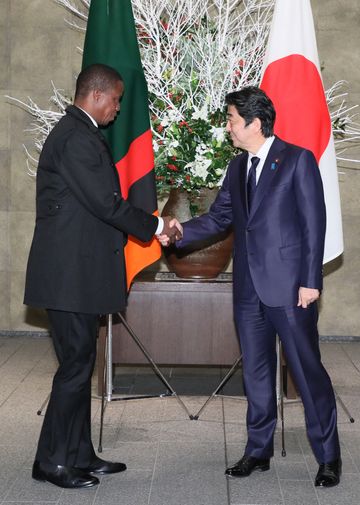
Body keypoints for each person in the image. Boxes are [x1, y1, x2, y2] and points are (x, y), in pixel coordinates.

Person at [160, 86, 341, 487]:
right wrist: (178, 233)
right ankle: (257, 451)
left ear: (255, 123)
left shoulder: (297, 160)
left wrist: (311, 282)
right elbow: (219, 218)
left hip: (291, 289)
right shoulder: (237, 168)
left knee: (306, 372)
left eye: (231, 120)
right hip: (247, 290)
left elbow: (315, 225)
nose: (228, 128)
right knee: (257, 374)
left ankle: (328, 457)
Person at [24, 63, 181, 489]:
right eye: (115, 99)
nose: (117, 108)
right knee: (74, 368)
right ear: (96, 96)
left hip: (78, 276)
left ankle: (78, 454)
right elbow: (106, 204)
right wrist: (157, 226)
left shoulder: (80, 133)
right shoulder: (76, 138)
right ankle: (52, 462)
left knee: (80, 364)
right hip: (68, 278)